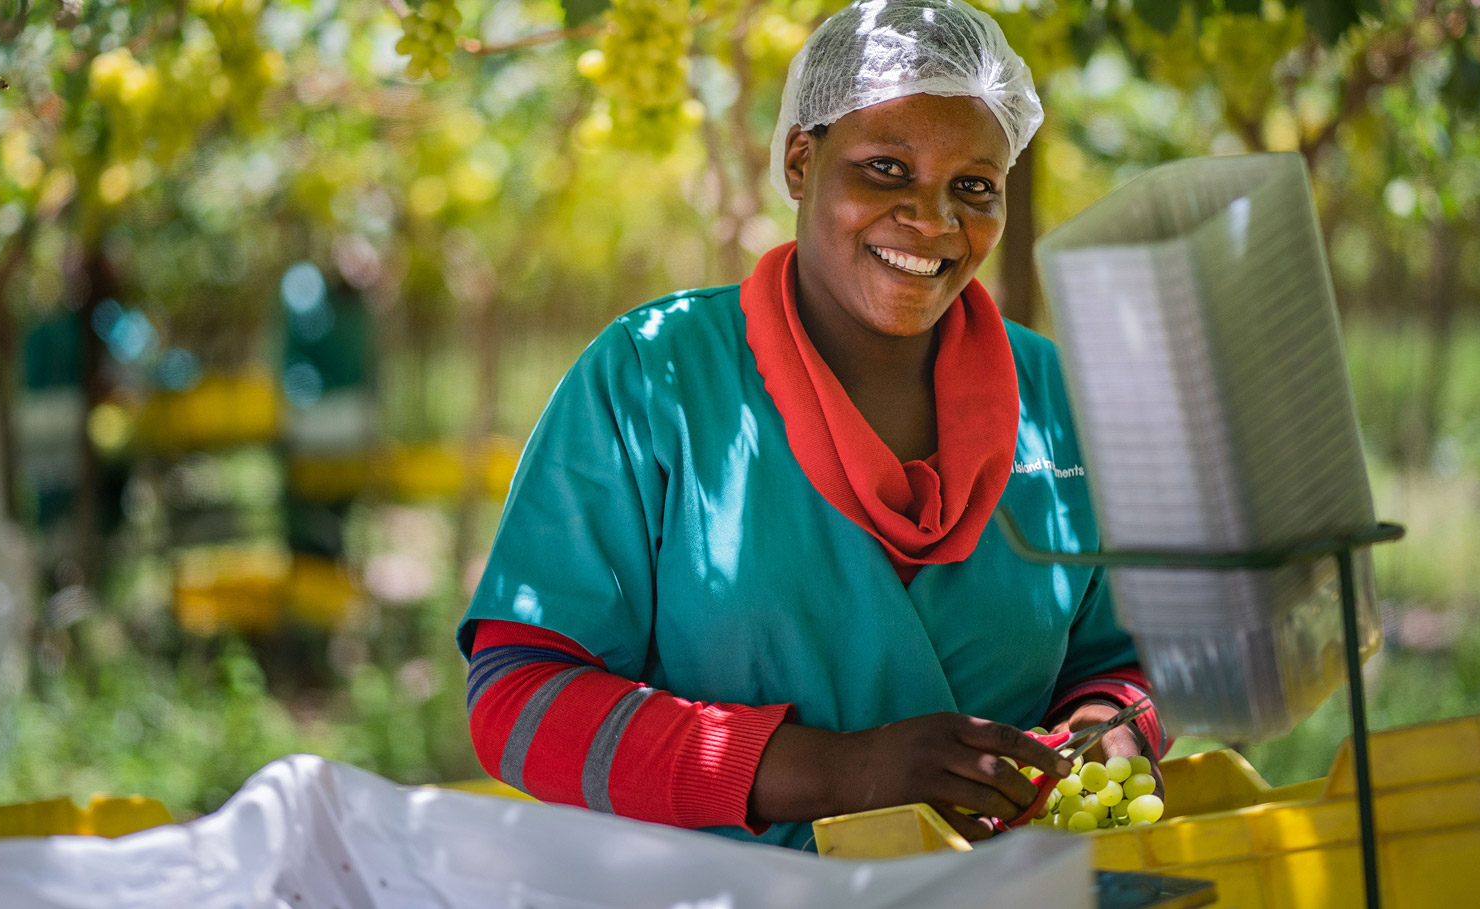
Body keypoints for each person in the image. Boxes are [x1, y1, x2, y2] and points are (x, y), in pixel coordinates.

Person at [457, 0, 1169, 850]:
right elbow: (520, 698)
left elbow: (1124, 659)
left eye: (973, 187)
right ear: (802, 161)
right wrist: (837, 770)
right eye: (886, 168)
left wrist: (1110, 728)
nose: (935, 221)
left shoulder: (1057, 396)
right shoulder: (655, 378)